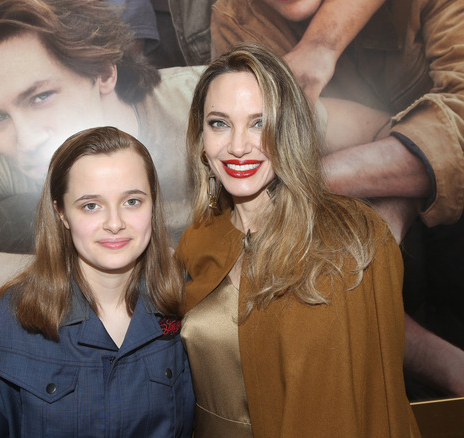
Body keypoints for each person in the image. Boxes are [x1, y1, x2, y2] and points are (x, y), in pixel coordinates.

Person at [0, 0, 391, 332]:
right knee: (17, 220)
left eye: (40, 98)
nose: (24, 138)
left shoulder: (201, 107)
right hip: (114, 369)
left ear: (103, 72)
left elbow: (381, 129)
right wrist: (114, 275)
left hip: (249, 337)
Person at [209, 0, 464, 395]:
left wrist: (333, 178)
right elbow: (264, 180)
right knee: (305, 240)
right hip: (339, 244)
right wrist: (452, 368)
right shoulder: (237, 16)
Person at [177, 42, 420, 437]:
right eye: (219, 123)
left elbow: (380, 401)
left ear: (288, 128)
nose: (238, 146)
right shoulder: (197, 241)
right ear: (201, 138)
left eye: (260, 122)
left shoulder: (353, 238)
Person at [0, 126, 194, 437]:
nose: (115, 223)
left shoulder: (185, 300)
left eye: (132, 201)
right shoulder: (7, 320)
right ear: (61, 213)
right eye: (91, 206)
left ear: (153, 204)